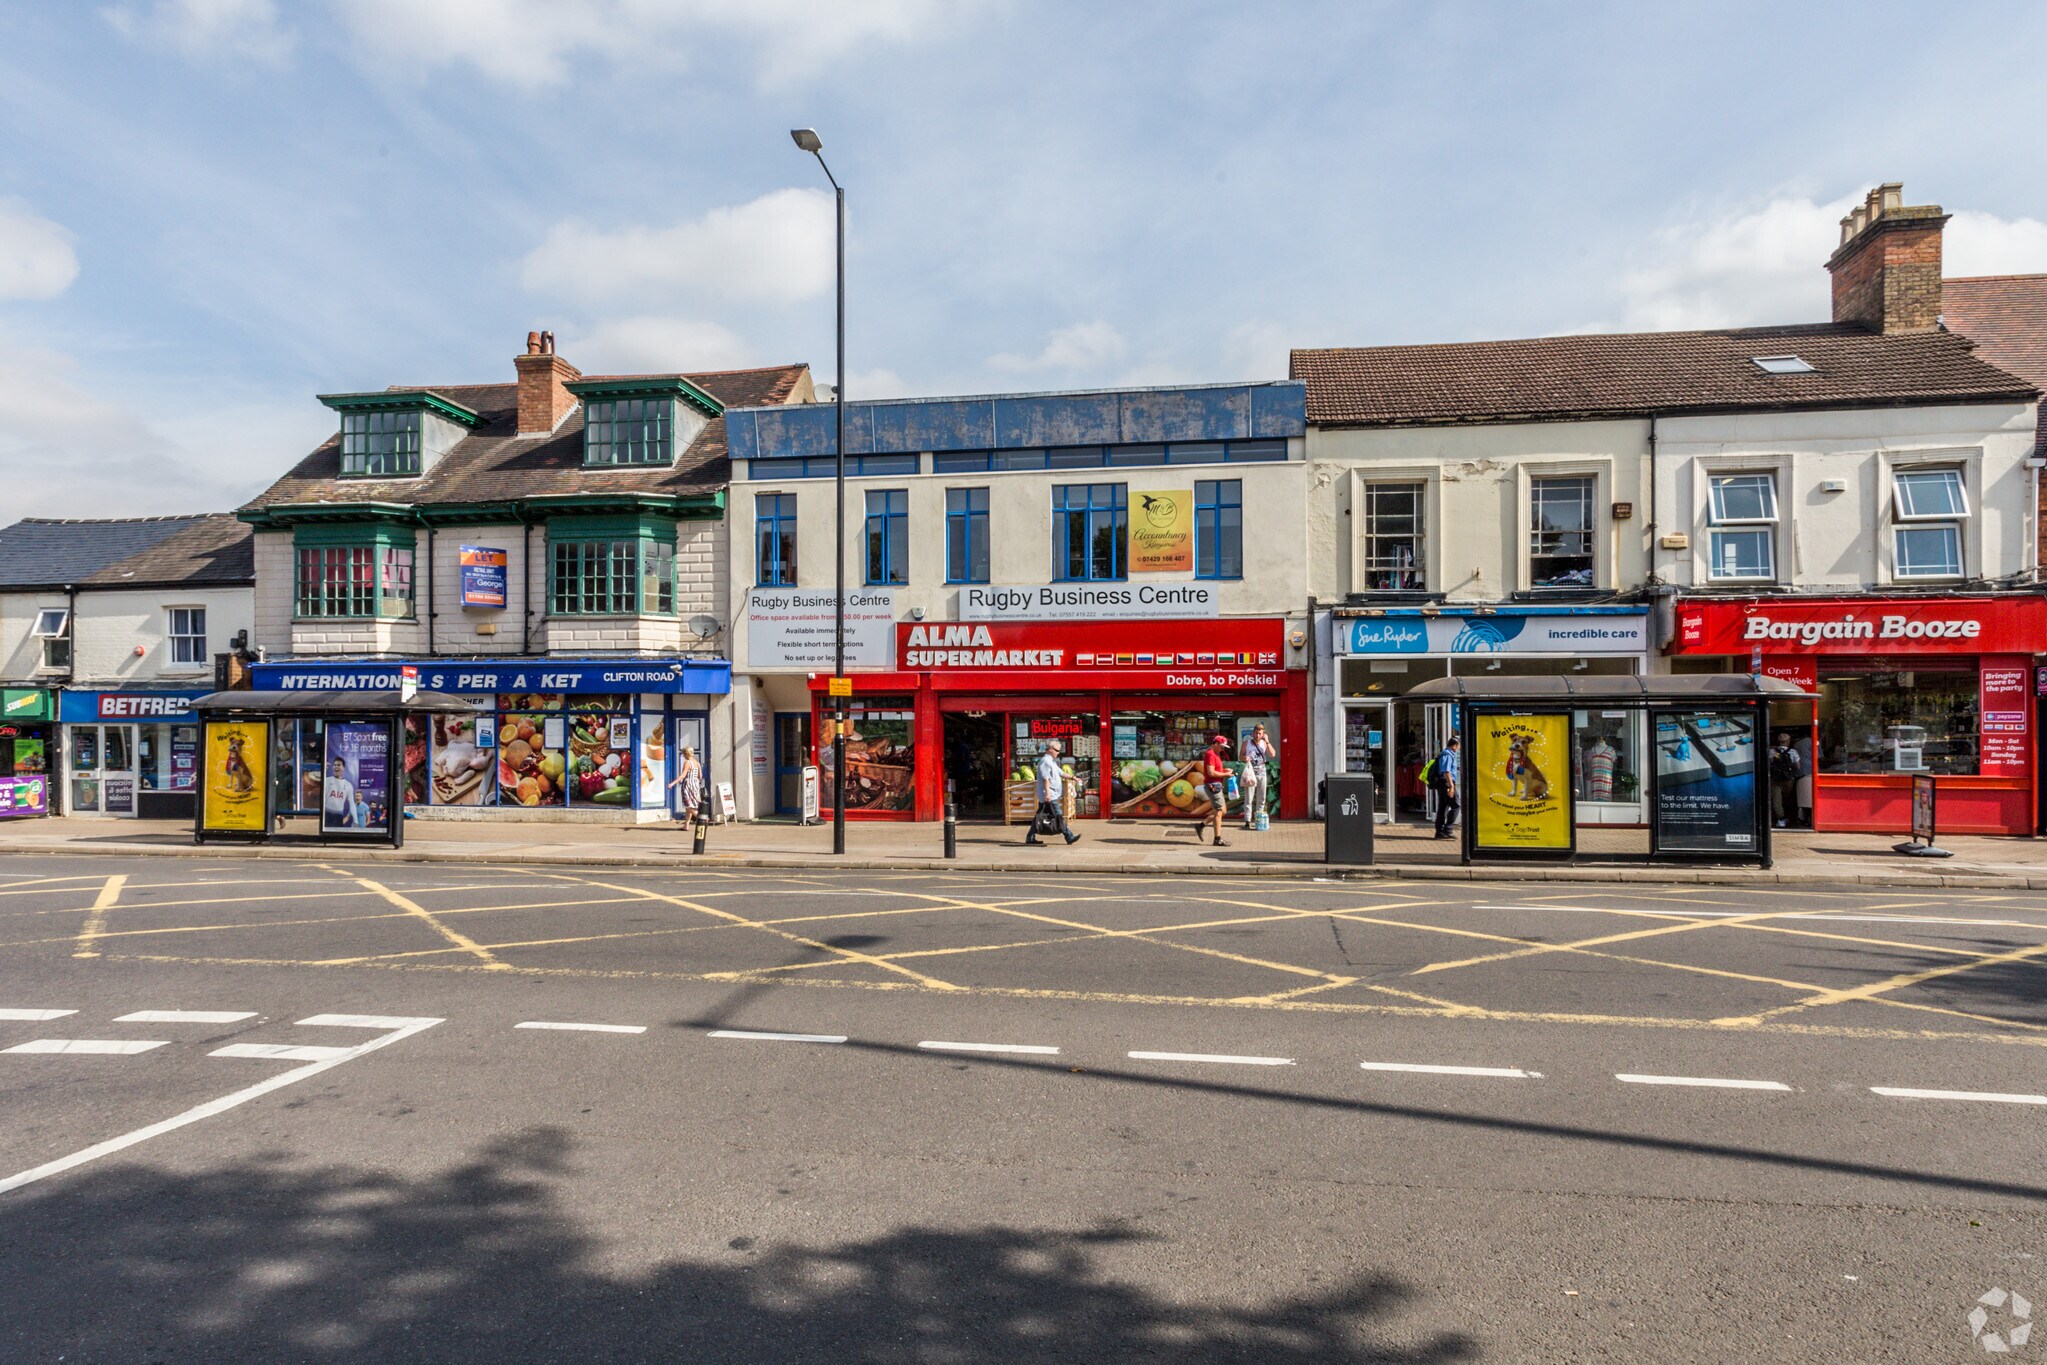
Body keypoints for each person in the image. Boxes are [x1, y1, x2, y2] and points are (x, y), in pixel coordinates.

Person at [1025, 739, 1079, 846]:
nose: (1058, 753)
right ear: (1050, 749)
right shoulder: (1045, 761)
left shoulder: (1052, 762)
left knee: (1039, 816)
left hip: (1051, 795)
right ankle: (1069, 836)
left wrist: (1074, 777)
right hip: (1050, 796)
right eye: (1057, 750)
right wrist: (1048, 794)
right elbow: (1046, 779)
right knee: (1058, 815)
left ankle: (1030, 837)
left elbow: (1062, 773)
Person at [1239, 724, 1276, 831]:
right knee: (1249, 798)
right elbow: (1240, 756)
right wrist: (1244, 757)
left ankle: (1258, 820)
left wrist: (1267, 741)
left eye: (1260, 733)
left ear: (1263, 734)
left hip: (1262, 773)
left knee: (1261, 798)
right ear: (1253, 733)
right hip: (1250, 773)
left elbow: (1272, 754)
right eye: (1256, 733)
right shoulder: (1247, 743)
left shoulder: (1264, 743)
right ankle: (1247, 821)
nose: (1257, 735)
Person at [1200, 733, 1232, 847]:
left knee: (1222, 811)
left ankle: (1201, 825)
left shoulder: (1216, 753)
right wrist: (1225, 774)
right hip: (1212, 785)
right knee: (1219, 811)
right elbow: (1211, 772)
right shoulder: (1210, 754)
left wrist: (1224, 770)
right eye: (1222, 746)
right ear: (1216, 744)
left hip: (1216, 784)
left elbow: (1215, 769)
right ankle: (1217, 839)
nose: (1223, 749)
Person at [1768, 731, 1802, 828]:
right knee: (1789, 798)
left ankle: (1781, 819)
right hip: (1788, 779)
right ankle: (1791, 817)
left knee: (1776, 800)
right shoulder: (1793, 752)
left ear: (1779, 742)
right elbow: (1798, 766)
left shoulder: (1772, 752)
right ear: (1788, 741)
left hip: (1775, 779)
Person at [1431, 736, 1461, 839]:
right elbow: (1446, 771)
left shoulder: (1445, 754)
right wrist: (1451, 786)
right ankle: (1447, 830)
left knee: (1443, 807)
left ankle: (1439, 832)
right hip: (1446, 783)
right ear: (1454, 746)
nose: (1458, 748)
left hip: (1443, 784)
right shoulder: (1447, 755)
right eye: (1458, 746)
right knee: (1456, 806)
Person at [667, 744, 704, 827]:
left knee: (688, 805)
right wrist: (696, 782)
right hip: (695, 784)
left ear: (686, 754)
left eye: (684, 754)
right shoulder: (697, 763)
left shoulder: (687, 763)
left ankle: (702, 818)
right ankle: (686, 825)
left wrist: (672, 783)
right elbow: (700, 776)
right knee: (690, 805)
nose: (683, 756)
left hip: (688, 785)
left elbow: (683, 775)